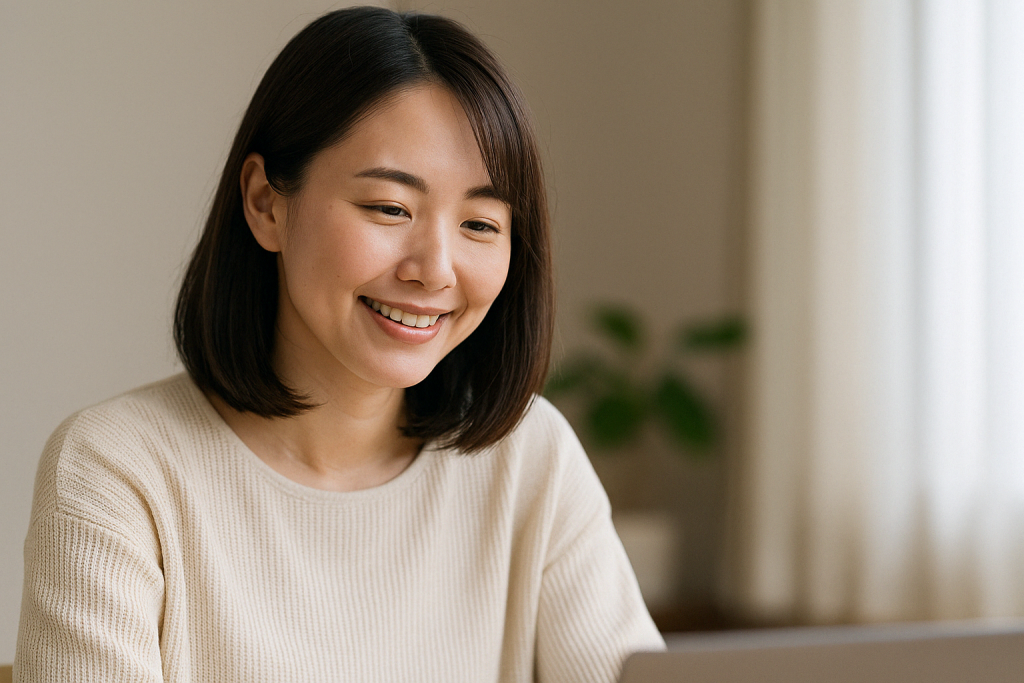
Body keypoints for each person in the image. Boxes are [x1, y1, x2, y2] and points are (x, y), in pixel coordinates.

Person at [14, 7, 664, 682]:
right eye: (389, 208)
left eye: (479, 223)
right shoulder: (116, 472)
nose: (435, 270)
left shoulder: (528, 459)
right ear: (266, 203)